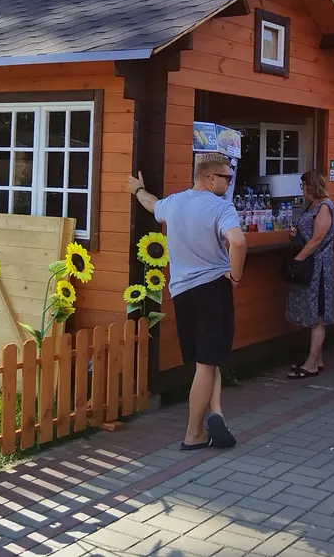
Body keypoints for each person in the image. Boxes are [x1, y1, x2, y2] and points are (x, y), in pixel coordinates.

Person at [128, 156, 244, 450]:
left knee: (205, 359)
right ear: (210, 178)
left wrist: (137, 190)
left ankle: (216, 415)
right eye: (226, 178)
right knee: (207, 362)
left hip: (181, 292)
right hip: (213, 289)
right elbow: (239, 242)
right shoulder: (220, 207)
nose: (229, 183)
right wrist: (236, 275)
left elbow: (153, 205)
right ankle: (194, 434)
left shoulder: (175, 202)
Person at [285, 170, 334, 379]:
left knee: (317, 315)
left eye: (303, 185)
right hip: (313, 263)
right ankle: (317, 359)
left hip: (319, 266)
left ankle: (310, 365)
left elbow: (317, 238)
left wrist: (298, 259)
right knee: (313, 311)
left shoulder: (325, 206)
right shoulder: (314, 205)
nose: (302, 189)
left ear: (310, 185)